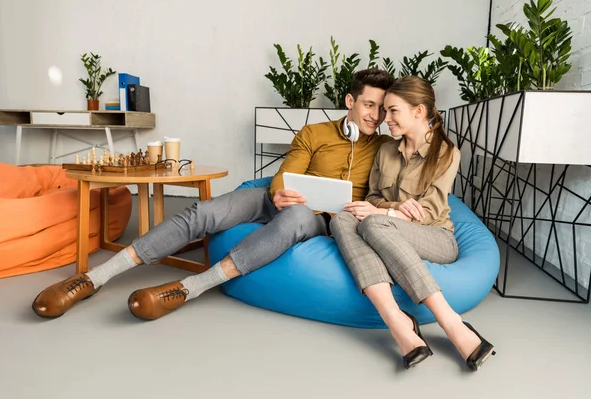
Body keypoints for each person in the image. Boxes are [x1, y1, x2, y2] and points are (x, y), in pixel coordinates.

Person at [32, 68, 395, 321]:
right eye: (369, 105)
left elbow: (382, 192)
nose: (375, 115)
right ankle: (95, 279)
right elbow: (286, 170)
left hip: (317, 218)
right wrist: (281, 192)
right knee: (202, 213)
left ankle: (189, 288)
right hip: (276, 198)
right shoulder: (314, 132)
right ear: (350, 100)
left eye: (381, 108)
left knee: (300, 217)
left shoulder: (382, 148)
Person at [330, 76, 495, 371]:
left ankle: (452, 322)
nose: (385, 118)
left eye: (393, 111)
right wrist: (393, 207)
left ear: (418, 111)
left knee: (371, 224)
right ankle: (398, 322)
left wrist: (382, 214)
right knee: (344, 218)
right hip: (391, 231)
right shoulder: (386, 151)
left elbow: (428, 211)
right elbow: (374, 197)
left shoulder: (446, 152)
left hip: (435, 237)